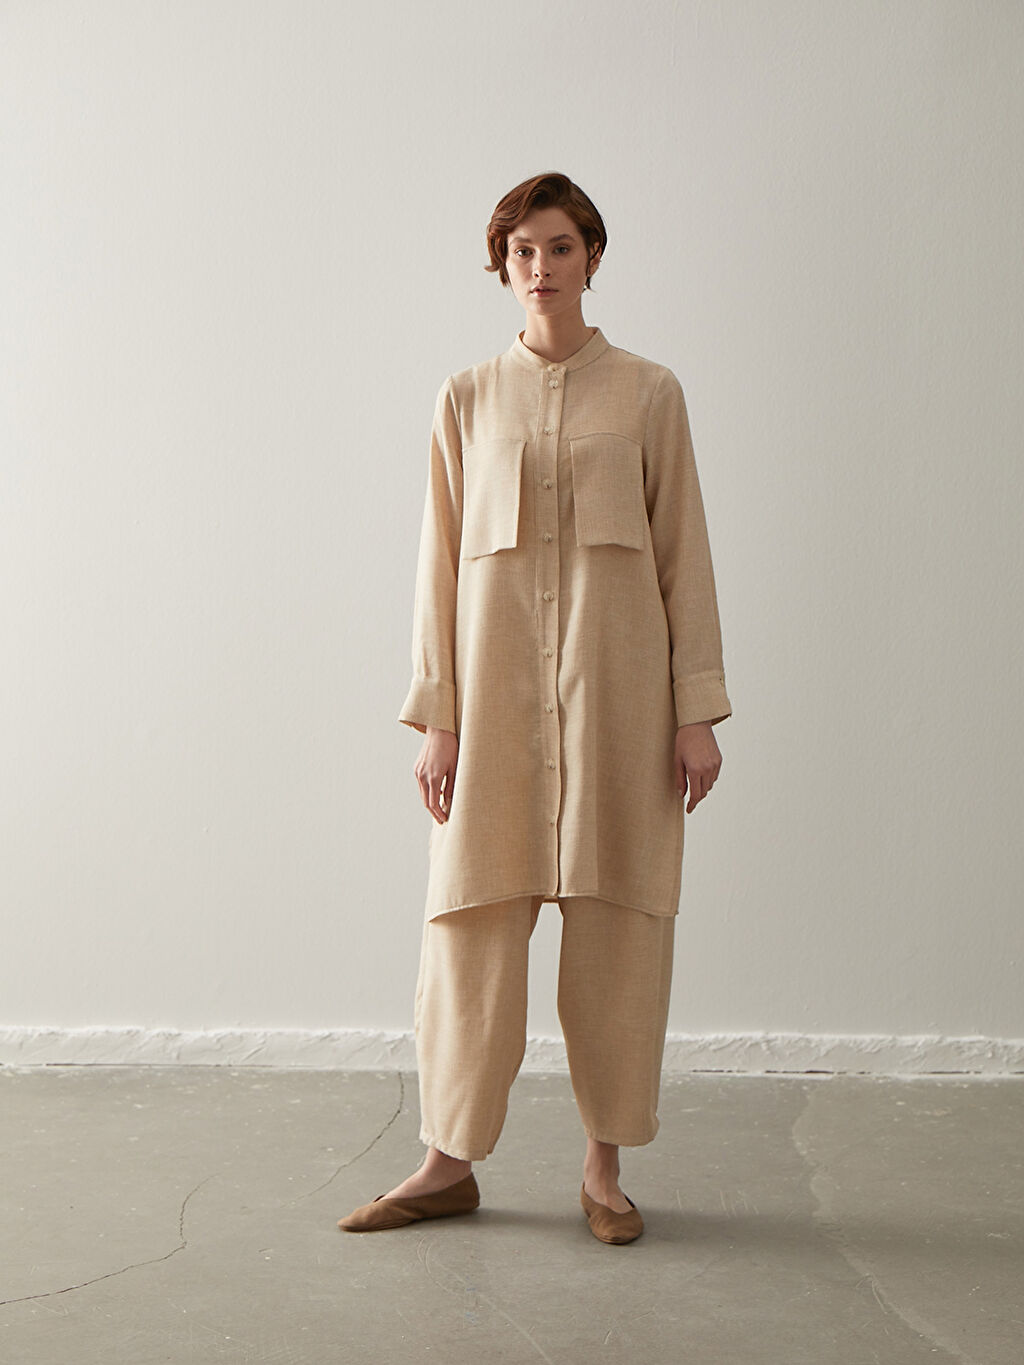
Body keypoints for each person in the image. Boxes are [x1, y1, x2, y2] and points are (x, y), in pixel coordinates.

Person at [338, 172, 732, 1245]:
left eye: (559, 247)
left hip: (618, 710)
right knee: (467, 934)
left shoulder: (649, 394)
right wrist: (438, 716)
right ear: (501, 265)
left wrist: (694, 709)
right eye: (522, 251)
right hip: (495, 716)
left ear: (591, 256)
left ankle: (604, 1170)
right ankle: (447, 1162)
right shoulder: (465, 400)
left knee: (619, 935)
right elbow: (437, 570)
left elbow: (684, 554)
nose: (541, 267)